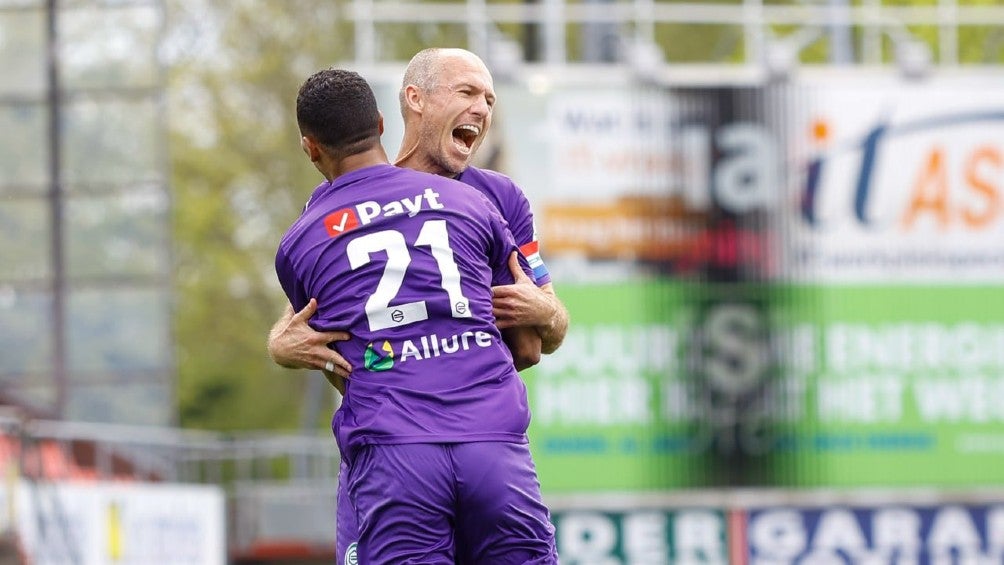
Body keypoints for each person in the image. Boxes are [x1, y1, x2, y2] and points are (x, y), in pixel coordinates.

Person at [267, 48, 569, 563]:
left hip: (398, 443)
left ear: (311, 149)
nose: (482, 108)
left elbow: (543, 334)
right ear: (410, 103)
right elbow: (525, 350)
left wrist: (549, 314)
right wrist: (280, 340)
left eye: (490, 98)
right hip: (480, 439)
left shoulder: (500, 196)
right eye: (468, 92)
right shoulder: (476, 207)